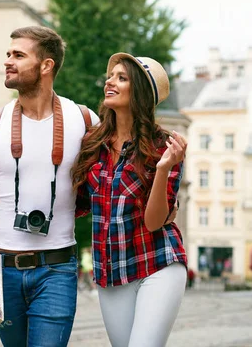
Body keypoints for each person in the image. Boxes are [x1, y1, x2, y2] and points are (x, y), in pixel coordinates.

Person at [0, 26, 100, 346]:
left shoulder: (85, 121)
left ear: (46, 65)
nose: (8, 61)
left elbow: (109, 185)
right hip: (1, 270)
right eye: (8, 54)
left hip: (57, 270)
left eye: (18, 55)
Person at [73, 52, 188, 347]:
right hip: (111, 271)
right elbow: (75, 203)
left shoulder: (164, 146)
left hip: (158, 261)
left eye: (121, 78)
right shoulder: (92, 143)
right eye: (111, 77)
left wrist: (163, 168)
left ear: (139, 92)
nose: (110, 82)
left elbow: (153, 222)